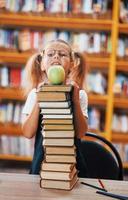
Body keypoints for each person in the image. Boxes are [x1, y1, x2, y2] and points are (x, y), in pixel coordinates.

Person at [22, 39, 89, 176]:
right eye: (50, 54)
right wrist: (39, 101)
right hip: (42, 163)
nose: (56, 57)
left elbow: (81, 133)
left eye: (62, 54)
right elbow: (28, 133)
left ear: (71, 64)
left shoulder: (80, 94)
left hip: (72, 164)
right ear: (42, 64)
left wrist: (75, 100)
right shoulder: (34, 94)